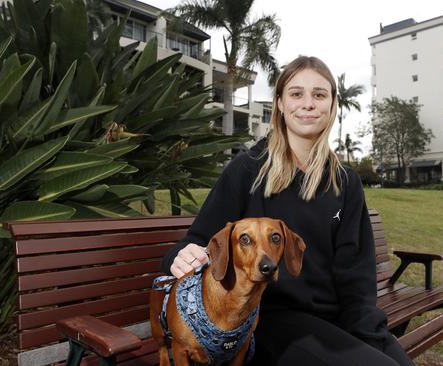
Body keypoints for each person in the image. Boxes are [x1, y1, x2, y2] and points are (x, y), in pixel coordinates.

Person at [161, 55, 413, 366]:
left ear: (332, 104)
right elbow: (197, 241)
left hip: (333, 321)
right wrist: (182, 255)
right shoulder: (248, 169)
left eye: (319, 94)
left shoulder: (345, 182)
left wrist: (372, 339)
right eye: (296, 94)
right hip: (271, 321)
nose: (308, 103)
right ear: (280, 103)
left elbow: (356, 280)